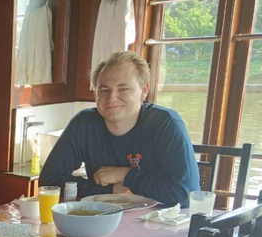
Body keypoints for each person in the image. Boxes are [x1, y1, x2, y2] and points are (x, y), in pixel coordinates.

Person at [39, 51, 199, 207]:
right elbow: (49, 181)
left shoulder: (166, 123)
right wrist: (111, 189)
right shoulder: (84, 124)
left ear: (144, 91)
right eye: (104, 90)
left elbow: (185, 194)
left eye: (123, 89)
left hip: (157, 226)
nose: (111, 98)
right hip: (100, 221)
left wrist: (124, 175)